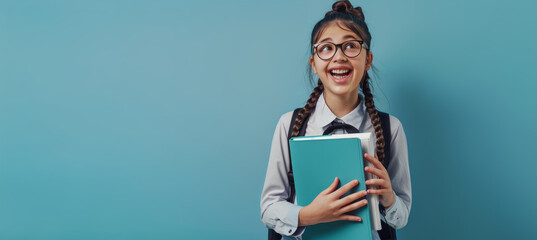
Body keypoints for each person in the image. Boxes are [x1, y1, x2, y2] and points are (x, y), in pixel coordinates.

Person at [260, 1, 412, 239]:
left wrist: (389, 198)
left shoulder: (391, 128)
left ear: (368, 60)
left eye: (351, 46)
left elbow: (401, 217)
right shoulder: (288, 124)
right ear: (314, 63)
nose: (339, 56)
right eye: (326, 48)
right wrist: (309, 215)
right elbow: (268, 209)